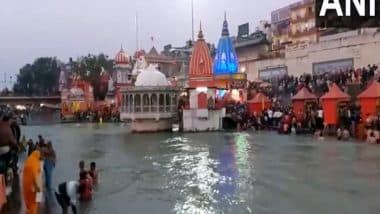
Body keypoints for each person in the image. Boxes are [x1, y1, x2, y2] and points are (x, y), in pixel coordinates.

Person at [22, 149, 45, 214]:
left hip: (26, 186)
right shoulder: (36, 164)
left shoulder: (28, 161)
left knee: (28, 202)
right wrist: (39, 189)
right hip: (33, 187)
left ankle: (28, 211)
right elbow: (36, 177)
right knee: (33, 204)